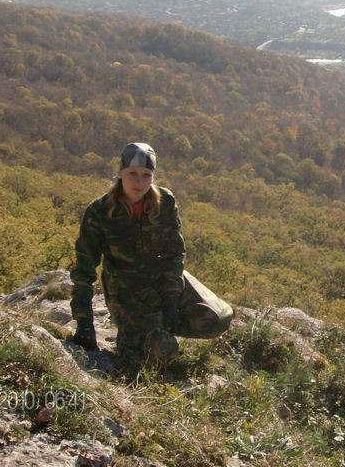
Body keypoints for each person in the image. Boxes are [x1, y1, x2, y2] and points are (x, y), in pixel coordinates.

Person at [69, 142, 232, 367]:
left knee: (217, 319)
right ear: (120, 173)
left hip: (162, 277)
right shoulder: (99, 212)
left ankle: (158, 326)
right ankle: (141, 336)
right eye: (132, 173)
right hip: (126, 289)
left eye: (146, 175)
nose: (139, 181)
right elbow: (84, 271)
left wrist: (171, 301)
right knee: (157, 355)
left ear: (153, 176)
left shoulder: (165, 202)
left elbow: (175, 254)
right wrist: (84, 321)